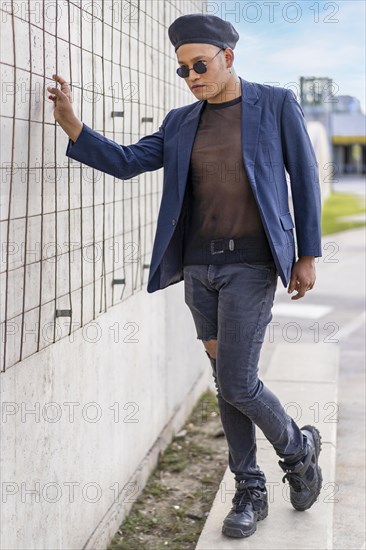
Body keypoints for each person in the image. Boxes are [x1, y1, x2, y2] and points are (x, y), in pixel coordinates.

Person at [48, 13, 323, 540]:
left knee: (239, 382)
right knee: (226, 383)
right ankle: (250, 488)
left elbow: (304, 178)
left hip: (251, 263)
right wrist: (73, 126)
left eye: (200, 65)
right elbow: (128, 161)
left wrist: (307, 253)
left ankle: (295, 448)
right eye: (183, 70)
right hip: (200, 268)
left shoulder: (275, 104)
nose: (192, 76)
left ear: (228, 57)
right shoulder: (180, 123)